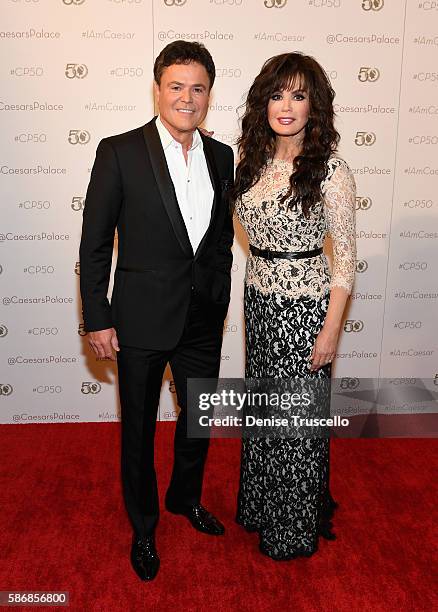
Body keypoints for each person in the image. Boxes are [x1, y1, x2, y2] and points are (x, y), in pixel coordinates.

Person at [79, 41, 234, 581]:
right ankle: (143, 527)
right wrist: (97, 316)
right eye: (176, 86)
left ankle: (183, 499)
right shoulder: (118, 151)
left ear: (209, 95)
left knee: (197, 422)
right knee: (139, 430)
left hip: (201, 320)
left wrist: (219, 296)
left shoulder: (222, 156)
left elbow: (215, 240)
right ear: (158, 88)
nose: (186, 97)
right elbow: (94, 243)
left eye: (197, 88)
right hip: (139, 320)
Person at [232, 52, 356, 560]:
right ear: (264, 102)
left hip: (305, 312)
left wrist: (330, 333)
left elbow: (346, 262)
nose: (287, 105)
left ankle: (292, 531)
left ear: (314, 106)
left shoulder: (332, 170)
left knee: (297, 427)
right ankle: (262, 506)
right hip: (258, 304)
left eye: (299, 95)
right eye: (278, 94)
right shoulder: (252, 163)